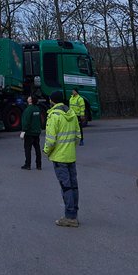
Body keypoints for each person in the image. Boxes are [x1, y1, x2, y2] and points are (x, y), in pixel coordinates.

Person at [43, 90, 82, 227]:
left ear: (52, 101)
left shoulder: (54, 116)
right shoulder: (71, 114)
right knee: (73, 186)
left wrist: (46, 151)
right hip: (70, 156)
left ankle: (70, 217)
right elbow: (78, 136)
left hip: (59, 157)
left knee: (66, 187)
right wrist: (70, 148)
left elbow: (51, 140)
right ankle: (74, 214)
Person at [20, 95, 42, 170]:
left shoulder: (28, 110)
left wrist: (23, 130)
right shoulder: (37, 109)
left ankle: (28, 164)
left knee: (27, 149)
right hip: (36, 132)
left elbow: (26, 122)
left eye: (29, 98)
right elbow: (40, 120)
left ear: (30, 101)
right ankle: (39, 165)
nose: (27, 98)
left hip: (29, 133)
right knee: (37, 149)